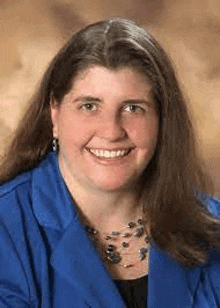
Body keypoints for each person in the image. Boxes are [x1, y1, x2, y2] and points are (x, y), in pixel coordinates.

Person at [0, 17, 220, 308]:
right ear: (54, 114)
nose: (112, 131)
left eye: (133, 108)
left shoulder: (211, 226)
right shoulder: (7, 229)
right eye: (89, 106)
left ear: (161, 120)